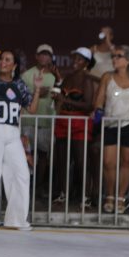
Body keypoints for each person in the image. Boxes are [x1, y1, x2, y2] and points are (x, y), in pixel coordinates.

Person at [0, 47, 42, 230]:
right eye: (2, 59)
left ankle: (17, 219)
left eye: (8, 60)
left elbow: (32, 109)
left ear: (15, 65)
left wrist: (37, 90)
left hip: (12, 132)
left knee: (21, 173)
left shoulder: (19, 84)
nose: (3, 62)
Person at [93, 45, 129, 214]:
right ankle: (109, 195)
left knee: (127, 161)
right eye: (113, 56)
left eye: (118, 56)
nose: (114, 59)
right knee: (108, 162)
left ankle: (120, 196)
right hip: (111, 124)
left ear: (128, 60)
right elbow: (99, 100)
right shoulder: (107, 77)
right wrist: (97, 111)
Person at [51, 48, 96, 207]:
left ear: (86, 62)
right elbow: (59, 96)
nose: (75, 61)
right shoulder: (68, 77)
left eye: (80, 59)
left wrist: (65, 100)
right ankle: (63, 194)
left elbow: (89, 105)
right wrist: (57, 81)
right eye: (74, 58)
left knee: (81, 160)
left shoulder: (87, 79)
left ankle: (86, 197)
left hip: (80, 122)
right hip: (63, 120)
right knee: (62, 160)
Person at [20, 44, 59, 198]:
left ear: (51, 57)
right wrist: (35, 92)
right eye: (41, 54)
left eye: (47, 55)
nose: (44, 57)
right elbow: (21, 96)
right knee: (27, 154)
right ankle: (25, 186)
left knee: (43, 155)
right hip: (28, 120)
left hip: (47, 121)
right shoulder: (27, 75)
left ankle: (38, 186)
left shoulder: (55, 76)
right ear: (36, 56)